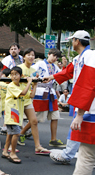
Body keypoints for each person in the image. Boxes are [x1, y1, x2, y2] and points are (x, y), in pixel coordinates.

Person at [43, 30, 94, 171]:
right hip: (85, 104)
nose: (72, 43)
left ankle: (67, 155)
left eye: (72, 40)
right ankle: (68, 154)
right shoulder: (80, 58)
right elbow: (67, 72)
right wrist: (52, 77)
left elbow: (87, 85)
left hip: (88, 105)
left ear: (77, 41)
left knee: (84, 147)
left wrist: (80, 113)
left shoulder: (89, 56)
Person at [16, 48, 50, 154]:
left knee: (34, 121)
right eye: (29, 55)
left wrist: (35, 83)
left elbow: (34, 85)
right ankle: (9, 147)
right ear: (24, 56)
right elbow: (11, 82)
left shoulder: (34, 71)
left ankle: (38, 147)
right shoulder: (18, 68)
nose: (31, 57)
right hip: (17, 99)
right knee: (14, 123)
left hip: (27, 99)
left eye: (33, 55)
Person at [31, 48, 66, 147]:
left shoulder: (55, 67)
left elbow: (62, 75)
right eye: (54, 56)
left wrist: (64, 66)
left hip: (51, 93)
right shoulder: (40, 64)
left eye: (57, 57)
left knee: (55, 116)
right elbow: (31, 73)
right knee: (36, 118)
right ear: (49, 54)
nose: (55, 58)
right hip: (40, 92)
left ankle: (53, 139)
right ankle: (21, 133)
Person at [2, 66, 35, 164]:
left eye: (16, 74)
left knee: (10, 134)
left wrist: (35, 85)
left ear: (20, 76)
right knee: (16, 133)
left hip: (16, 114)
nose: (14, 76)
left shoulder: (21, 85)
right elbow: (24, 93)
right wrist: (29, 82)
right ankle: (12, 153)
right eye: (12, 74)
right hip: (12, 114)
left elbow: (31, 95)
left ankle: (5, 151)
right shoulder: (11, 86)